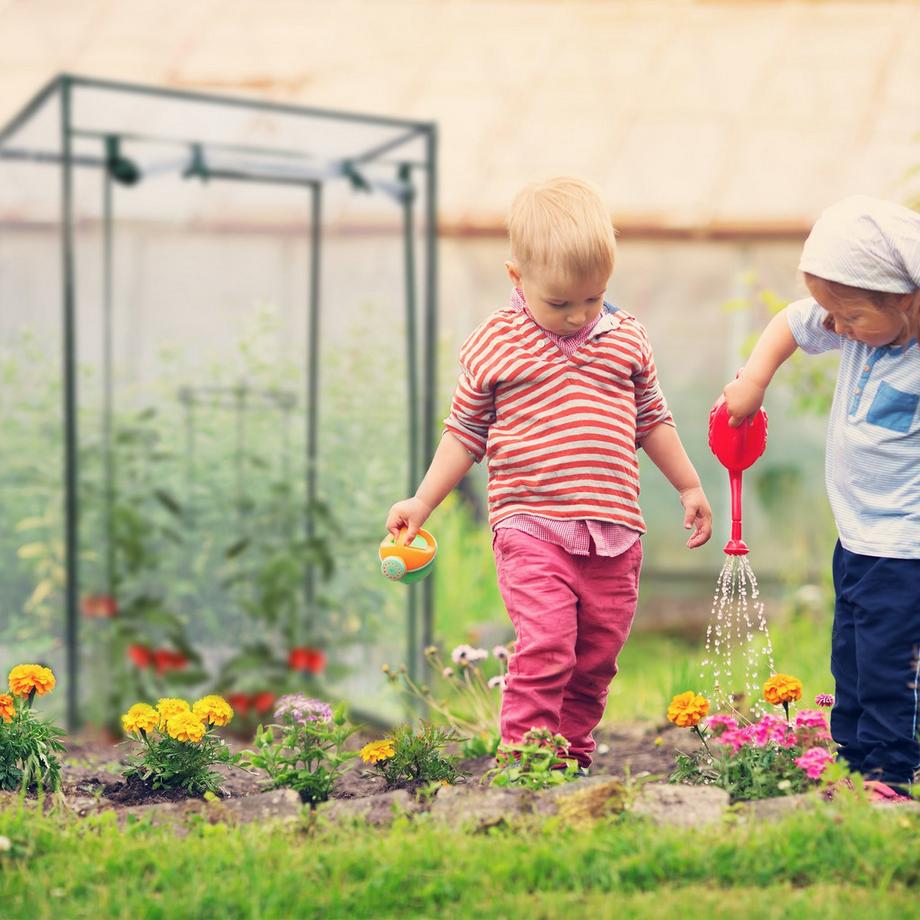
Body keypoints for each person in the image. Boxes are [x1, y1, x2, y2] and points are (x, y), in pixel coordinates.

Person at [386, 177, 712, 770]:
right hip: (531, 524)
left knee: (596, 657)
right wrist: (422, 501)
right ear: (517, 277)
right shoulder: (495, 343)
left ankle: (570, 755)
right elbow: (463, 433)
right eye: (559, 303)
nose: (578, 315)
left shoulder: (626, 339)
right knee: (548, 642)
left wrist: (688, 484)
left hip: (615, 531)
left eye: (593, 298)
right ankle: (526, 758)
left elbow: (652, 419)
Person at [722, 195, 920, 800]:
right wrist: (753, 380)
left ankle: (891, 772)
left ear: (907, 299)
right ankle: (854, 763)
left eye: (849, 315)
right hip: (857, 535)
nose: (834, 327)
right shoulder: (857, 327)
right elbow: (790, 322)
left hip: (906, 547)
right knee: (852, 656)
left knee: (891, 664)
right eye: (830, 313)